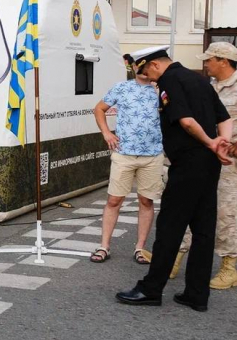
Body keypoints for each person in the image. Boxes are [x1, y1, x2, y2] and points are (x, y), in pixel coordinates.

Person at [116, 48, 233, 312]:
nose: (150, 79)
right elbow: (224, 118)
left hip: (189, 163)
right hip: (209, 165)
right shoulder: (200, 80)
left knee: (170, 226)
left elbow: (186, 121)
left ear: (155, 65)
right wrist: (221, 143)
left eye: (147, 72)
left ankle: (150, 289)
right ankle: (196, 293)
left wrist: (210, 143)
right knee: (203, 229)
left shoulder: (169, 80)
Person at [172, 43, 237, 288]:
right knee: (191, 205)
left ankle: (229, 267)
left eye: (209, 60)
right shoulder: (208, 87)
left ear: (223, 61)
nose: (205, 64)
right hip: (204, 156)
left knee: (226, 213)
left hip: (230, 162)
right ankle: (174, 258)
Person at [91, 56, 164, 264]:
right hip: (124, 153)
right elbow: (99, 109)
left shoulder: (162, 90)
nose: (142, 69)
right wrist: (106, 133)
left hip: (153, 154)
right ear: (132, 67)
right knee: (114, 200)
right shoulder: (121, 87)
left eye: (146, 64)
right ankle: (104, 246)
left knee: (146, 201)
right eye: (138, 64)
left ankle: (140, 248)